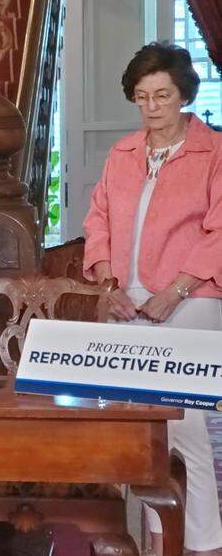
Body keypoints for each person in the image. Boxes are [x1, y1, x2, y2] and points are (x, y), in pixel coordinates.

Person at [83, 42, 222, 556]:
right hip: (128, 302)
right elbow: (97, 220)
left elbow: (220, 230)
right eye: (142, 97)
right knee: (137, 434)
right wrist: (107, 281)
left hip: (193, 300)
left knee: (184, 429)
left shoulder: (214, 151)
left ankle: (205, 543)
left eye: (162, 95)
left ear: (184, 94)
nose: (152, 107)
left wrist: (176, 290)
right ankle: (156, 540)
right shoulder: (122, 154)